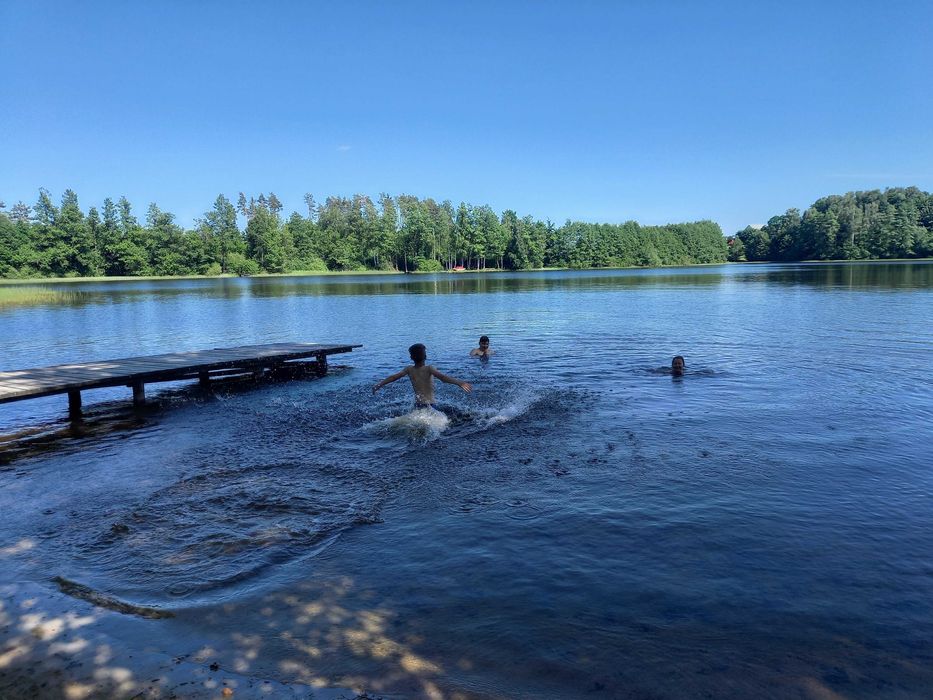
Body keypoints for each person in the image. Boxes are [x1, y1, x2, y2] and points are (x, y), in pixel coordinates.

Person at [373, 343, 472, 409]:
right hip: (431, 405)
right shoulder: (430, 368)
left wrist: (379, 384)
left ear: (411, 357)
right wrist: (459, 382)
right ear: (426, 356)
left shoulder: (408, 369)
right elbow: (443, 378)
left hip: (418, 405)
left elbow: (393, 377)